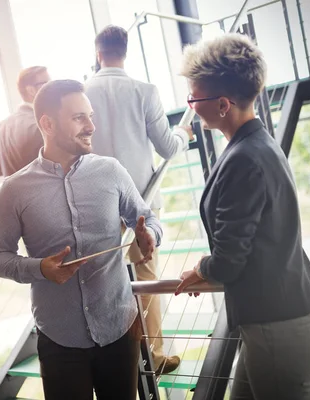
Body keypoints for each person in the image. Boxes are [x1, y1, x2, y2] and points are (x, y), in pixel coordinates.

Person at [174, 34, 310, 400]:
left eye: (194, 98)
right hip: (275, 325)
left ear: (223, 104)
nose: (191, 106)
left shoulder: (245, 157)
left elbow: (229, 259)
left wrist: (201, 270)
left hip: (279, 330)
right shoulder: (255, 144)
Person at [0, 79, 162, 400]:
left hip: (119, 329)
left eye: (90, 116)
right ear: (47, 124)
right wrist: (41, 268)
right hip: (59, 339)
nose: (91, 126)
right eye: (79, 118)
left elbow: (148, 218)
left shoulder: (111, 171)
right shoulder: (14, 190)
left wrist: (149, 235)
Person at [85, 24, 192, 374]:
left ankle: (117, 358)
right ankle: (154, 356)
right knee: (145, 277)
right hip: (140, 201)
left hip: (97, 201)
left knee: (104, 280)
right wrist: (183, 132)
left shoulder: (83, 91)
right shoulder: (144, 90)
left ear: (98, 52)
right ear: (124, 51)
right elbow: (167, 147)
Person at [0, 66, 50, 177]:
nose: (52, 88)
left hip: (11, 193)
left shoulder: (1, 126)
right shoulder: (41, 126)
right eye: (47, 84)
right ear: (31, 90)